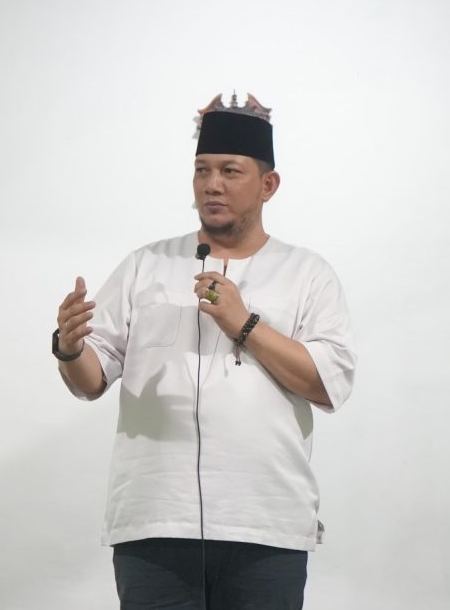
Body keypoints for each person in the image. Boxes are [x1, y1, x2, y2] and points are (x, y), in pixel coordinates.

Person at [53, 93, 357, 609]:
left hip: (266, 526)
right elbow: (91, 380)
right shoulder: (145, 265)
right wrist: (69, 348)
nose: (212, 185)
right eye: (202, 170)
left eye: (230, 171)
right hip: (154, 523)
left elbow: (329, 384)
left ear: (268, 184)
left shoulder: (308, 273)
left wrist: (245, 324)